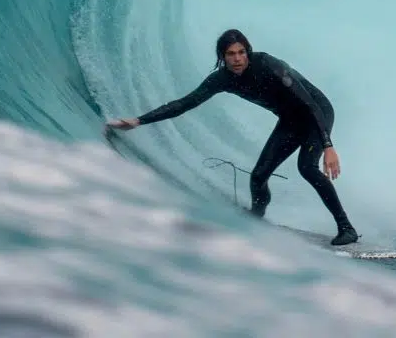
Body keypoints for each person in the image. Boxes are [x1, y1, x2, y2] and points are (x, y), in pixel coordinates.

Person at [105, 29, 359, 246]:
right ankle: (256, 218)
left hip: (316, 112)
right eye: (230, 54)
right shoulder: (222, 79)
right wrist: (139, 121)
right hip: (291, 120)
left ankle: (346, 228)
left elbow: (308, 103)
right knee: (259, 176)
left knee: (306, 167)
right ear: (222, 57)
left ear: (248, 52)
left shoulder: (269, 65)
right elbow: (185, 103)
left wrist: (328, 145)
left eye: (241, 52)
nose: (237, 59)